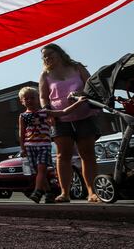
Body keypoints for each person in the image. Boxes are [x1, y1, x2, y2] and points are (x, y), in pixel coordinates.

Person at [39, 43, 100, 203]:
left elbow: (92, 86)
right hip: (60, 119)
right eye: (44, 56)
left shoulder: (77, 67)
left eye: (50, 53)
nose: (47, 58)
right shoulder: (45, 75)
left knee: (87, 155)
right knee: (63, 156)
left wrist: (82, 93)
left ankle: (92, 192)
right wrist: (47, 110)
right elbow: (44, 96)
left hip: (84, 115)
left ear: (59, 53)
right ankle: (65, 193)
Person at [18, 86, 86, 203]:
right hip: (30, 146)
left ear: (38, 99)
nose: (29, 100)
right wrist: (22, 148)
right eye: (26, 98)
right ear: (22, 101)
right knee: (38, 171)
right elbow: (21, 133)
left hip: (44, 145)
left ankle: (38, 192)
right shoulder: (23, 116)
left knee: (41, 169)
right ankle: (49, 193)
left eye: (32, 98)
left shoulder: (45, 112)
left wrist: (78, 103)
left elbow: (63, 112)